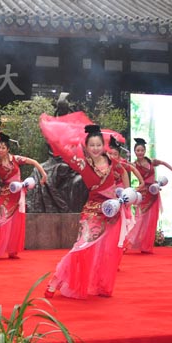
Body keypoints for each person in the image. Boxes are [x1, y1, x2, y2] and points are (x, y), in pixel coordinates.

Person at [41, 119, 130, 299]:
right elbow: (63, 151)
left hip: (112, 212)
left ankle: (102, 286)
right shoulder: (82, 163)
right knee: (82, 246)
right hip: (92, 212)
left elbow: (125, 171)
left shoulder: (112, 161)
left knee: (107, 251)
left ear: (103, 145)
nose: (96, 148)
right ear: (86, 146)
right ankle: (56, 280)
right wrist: (52, 131)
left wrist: (125, 195)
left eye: (98, 144)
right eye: (92, 145)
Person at [0, 131, 47, 260]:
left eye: (3, 147)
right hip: (5, 196)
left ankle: (12, 250)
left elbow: (33, 162)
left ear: (8, 149)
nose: (0, 150)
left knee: (16, 222)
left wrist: (43, 174)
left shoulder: (15, 159)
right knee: (1, 222)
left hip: (17, 196)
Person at [124, 138, 172, 254]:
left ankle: (146, 246)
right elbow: (122, 168)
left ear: (144, 151)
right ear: (135, 152)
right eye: (138, 150)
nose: (140, 152)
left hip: (154, 193)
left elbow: (163, 163)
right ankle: (127, 243)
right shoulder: (134, 165)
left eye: (142, 150)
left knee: (152, 221)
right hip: (144, 194)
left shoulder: (151, 161)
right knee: (140, 220)